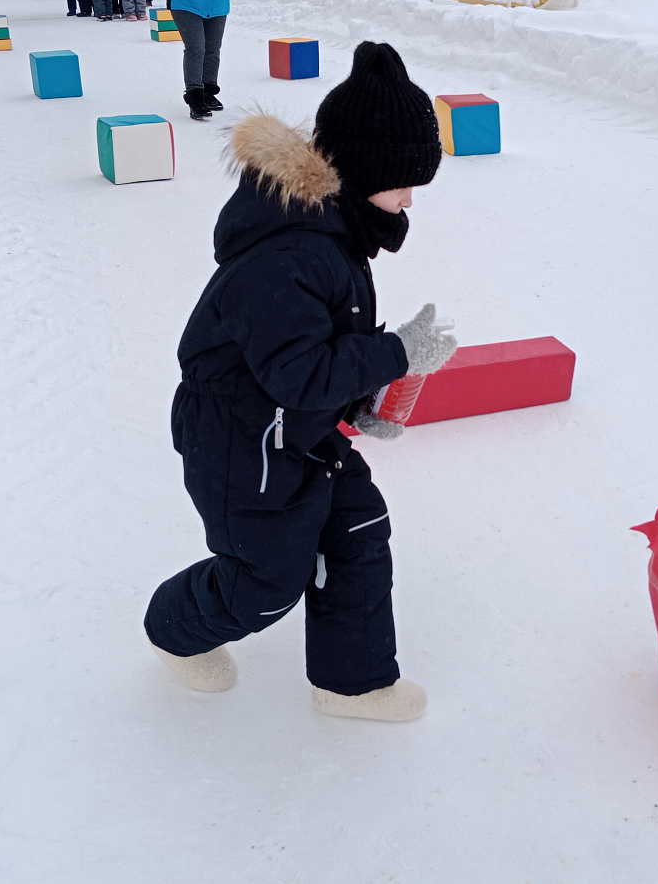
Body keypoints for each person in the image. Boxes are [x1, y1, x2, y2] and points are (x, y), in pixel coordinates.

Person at [144, 41, 455, 722]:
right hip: (241, 446)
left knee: (359, 531)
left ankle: (354, 681)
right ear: (364, 167)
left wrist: (363, 402)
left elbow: (321, 350)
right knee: (266, 582)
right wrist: (395, 354)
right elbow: (298, 372)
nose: (409, 200)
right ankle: (172, 629)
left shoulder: (335, 233)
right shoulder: (290, 252)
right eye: (403, 181)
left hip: (299, 433)